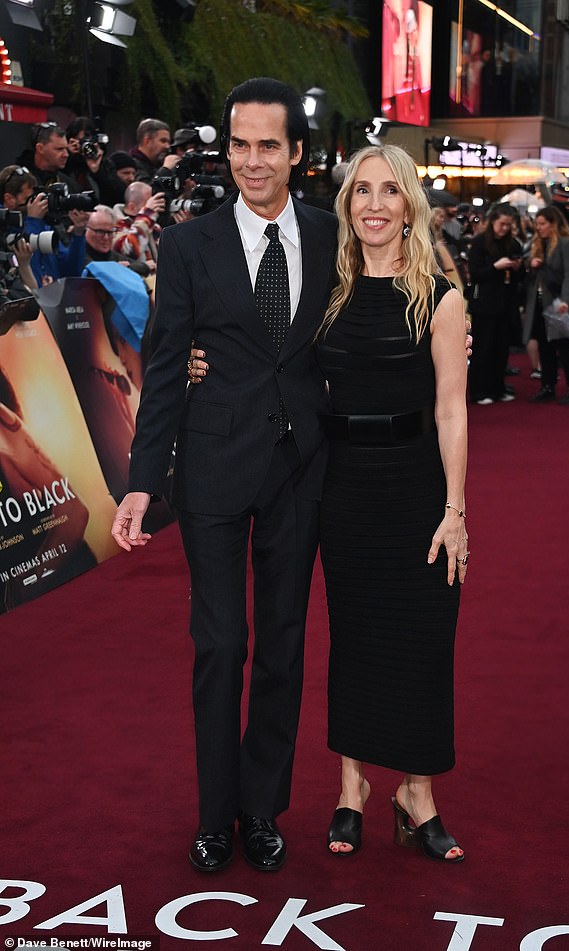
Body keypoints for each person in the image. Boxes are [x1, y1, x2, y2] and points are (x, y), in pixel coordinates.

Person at [110, 78, 339, 874]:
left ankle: (260, 806)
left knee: (282, 645)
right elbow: (168, 365)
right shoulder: (188, 245)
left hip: (300, 469)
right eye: (238, 144)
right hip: (211, 466)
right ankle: (214, 815)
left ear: (297, 153)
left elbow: (353, 340)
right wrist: (143, 479)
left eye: (267, 145)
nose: (250, 160)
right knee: (220, 644)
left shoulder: (332, 234)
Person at [314, 145, 468, 861]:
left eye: (388, 192)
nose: (373, 204)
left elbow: (451, 411)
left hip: (415, 492)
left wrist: (456, 510)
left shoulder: (441, 295)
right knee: (354, 639)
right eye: (360, 192)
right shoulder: (329, 288)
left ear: (410, 205)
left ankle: (418, 792)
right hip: (343, 488)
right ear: (347, 206)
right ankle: (352, 789)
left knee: (421, 643)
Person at [523, 206, 569, 404]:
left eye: (542, 224)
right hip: (540, 303)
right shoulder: (539, 243)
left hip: (559, 303)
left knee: (565, 347)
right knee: (545, 346)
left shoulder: (567, 244)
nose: (538, 228)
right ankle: (548, 385)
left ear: (553, 224)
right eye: (537, 224)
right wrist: (530, 263)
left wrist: (565, 301)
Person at [467, 204, 523, 404]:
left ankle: (498, 388)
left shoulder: (513, 244)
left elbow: (519, 278)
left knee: (501, 349)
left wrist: (517, 267)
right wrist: (495, 267)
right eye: (502, 224)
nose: (505, 229)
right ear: (493, 222)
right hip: (484, 304)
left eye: (508, 225)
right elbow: (475, 274)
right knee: (483, 349)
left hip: (506, 304)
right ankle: (479, 391)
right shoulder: (480, 242)